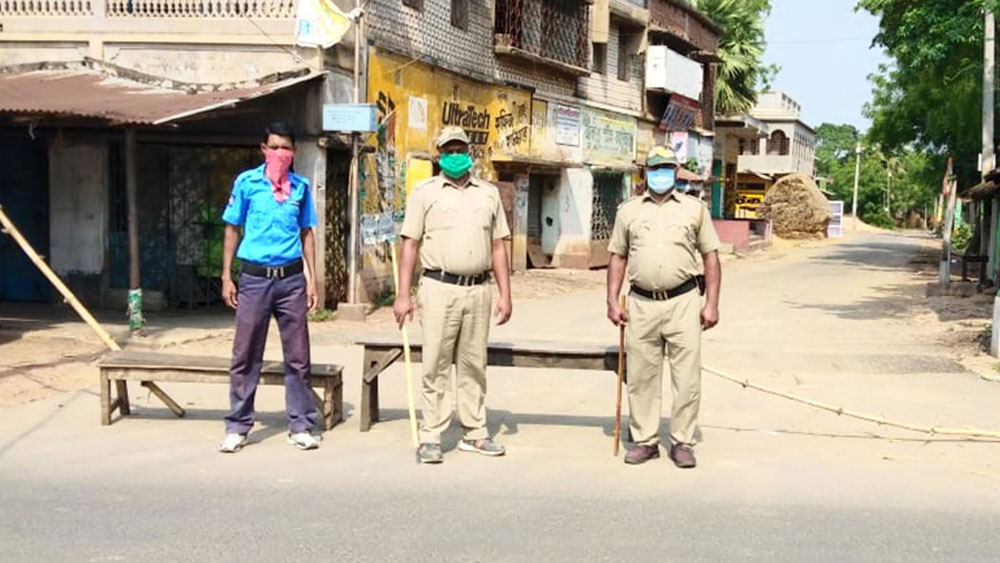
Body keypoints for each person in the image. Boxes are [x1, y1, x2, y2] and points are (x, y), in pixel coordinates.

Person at [393, 126, 513, 464]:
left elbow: (498, 246)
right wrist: (403, 295)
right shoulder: (425, 192)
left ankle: (474, 432)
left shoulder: (488, 193)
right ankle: (432, 435)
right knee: (436, 364)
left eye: (460, 148)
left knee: (474, 365)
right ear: (439, 155)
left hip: (478, 289)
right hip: (437, 288)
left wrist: (505, 293)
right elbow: (410, 244)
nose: (455, 155)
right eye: (449, 150)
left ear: (469, 152)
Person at [606, 146, 722, 468]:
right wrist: (611, 300)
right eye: (655, 168)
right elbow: (617, 256)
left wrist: (711, 303)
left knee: (686, 378)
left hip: (684, 302)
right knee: (642, 376)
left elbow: (711, 257)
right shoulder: (628, 211)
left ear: (676, 170)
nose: (661, 174)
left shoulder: (694, 209)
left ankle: (682, 441)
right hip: (641, 302)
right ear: (646, 171)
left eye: (667, 168)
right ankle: (645, 440)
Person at [218, 121, 321, 453]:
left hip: (291, 280)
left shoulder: (301, 187)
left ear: (294, 152)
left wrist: (312, 279)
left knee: (298, 357)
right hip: (254, 279)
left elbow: (307, 233)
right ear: (263, 149)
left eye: (286, 148)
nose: (281, 153)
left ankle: (301, 424)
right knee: (246, 355)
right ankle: (238, 425)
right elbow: (232, 228)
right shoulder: (247, 183)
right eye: (274, 146)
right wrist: (226, 275)